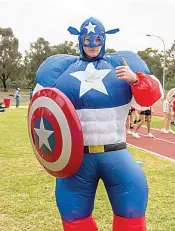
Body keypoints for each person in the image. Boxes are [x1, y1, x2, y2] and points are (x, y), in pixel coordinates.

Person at [32, 17, 163, 231]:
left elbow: (149, 99)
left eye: (97, 40)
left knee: (131, 211)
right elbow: (42, 107)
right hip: (77, 159)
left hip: (115, 151)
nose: (93, 45)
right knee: (74, 215)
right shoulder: (59, 69)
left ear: (104, 39)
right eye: (87, 40)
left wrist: (135, 79)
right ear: (80, 40)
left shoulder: (123, 64)